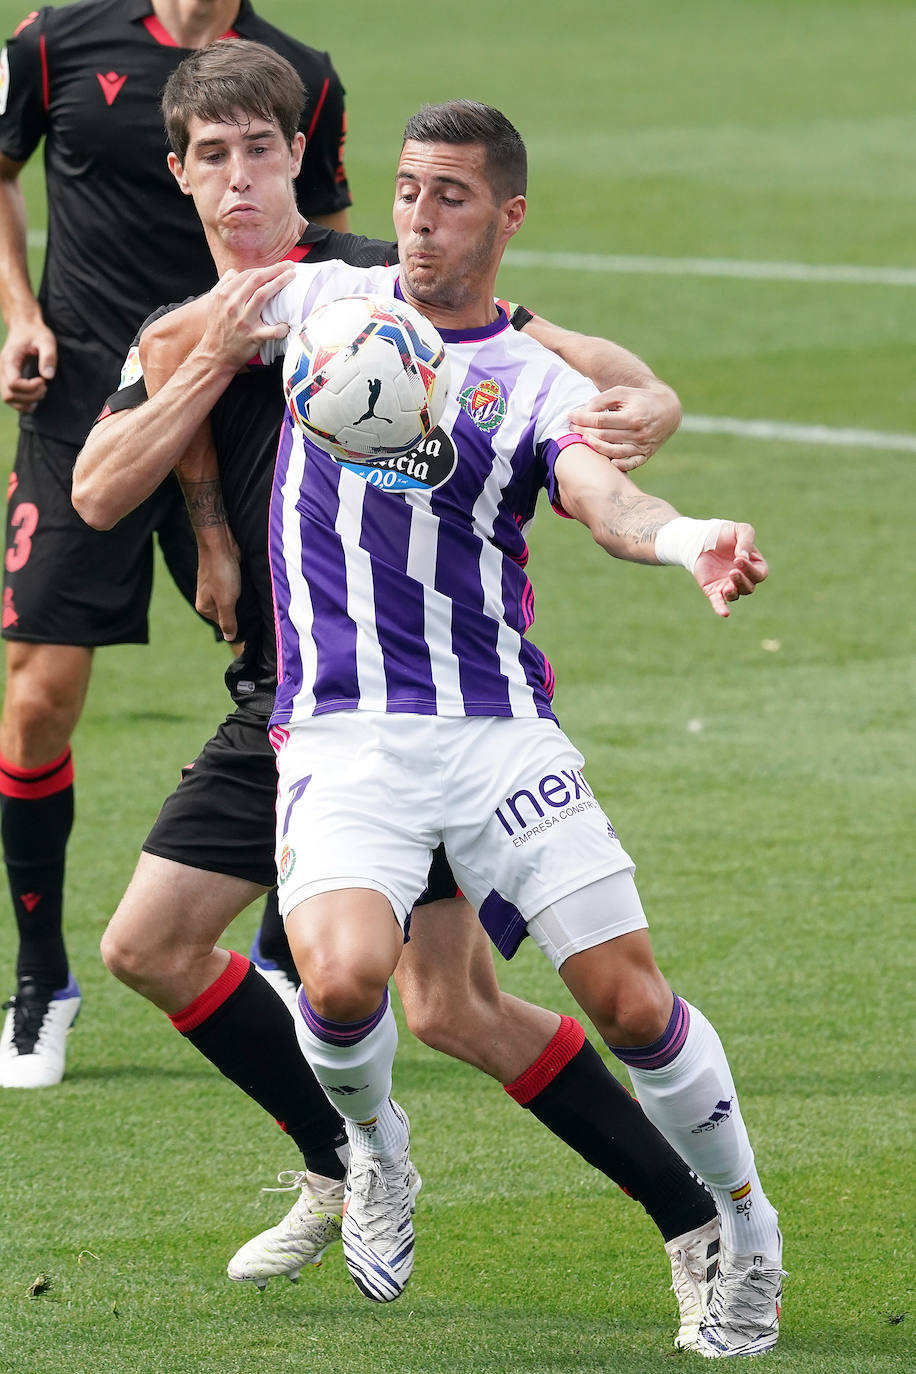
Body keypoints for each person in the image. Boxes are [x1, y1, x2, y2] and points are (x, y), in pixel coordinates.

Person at [72, 41, 723, 1353]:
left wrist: (646, 395)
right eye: (215, 156)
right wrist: (214, 361)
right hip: (281, 703)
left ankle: (692, 1217)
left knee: (452, 1007)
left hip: (407, 704)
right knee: (147, 944)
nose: (243, 177)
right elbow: (96, 489)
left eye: (265, 148)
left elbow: (587, 361)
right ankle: (351, 1158)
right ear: (182, 177)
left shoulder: (381, 284)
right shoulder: (176, 330)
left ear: (299, 158)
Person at [0, 0, 351, 1089]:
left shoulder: (295, 68)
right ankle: (40, 976)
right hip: (88, 408)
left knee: (295, 679)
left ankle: (286, 962)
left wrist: (215, 533)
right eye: (212, 153)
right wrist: (19, 312)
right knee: (33, 699)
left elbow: (321, 248)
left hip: (243, 416)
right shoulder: (53, 40)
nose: (234, 167)